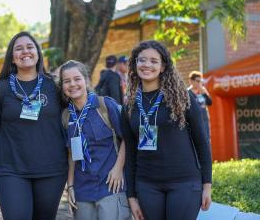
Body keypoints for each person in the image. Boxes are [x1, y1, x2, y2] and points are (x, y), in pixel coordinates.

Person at [121, 40, 212, 220]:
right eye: (142, 60)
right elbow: (130, 153)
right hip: (147, 185)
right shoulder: (129, 106)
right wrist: (131, 196)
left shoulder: (182, 98)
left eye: (154, 61)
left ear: (163, 67)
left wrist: (207, 185)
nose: (147, 65)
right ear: (135, 64)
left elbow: (202, 142)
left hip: (184, 183)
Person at [0, 31, 68, 220]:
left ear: (38, 53)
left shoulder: (55, 86)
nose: (25, 52)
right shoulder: (0, 89)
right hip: (10, 168)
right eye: (19, 49)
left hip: (51, 169)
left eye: (30, 47)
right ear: (12, 58)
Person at [59, 60, 132, 220]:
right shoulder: (66, 116)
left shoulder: (104, 105)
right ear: (62, 86)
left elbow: (128, 138)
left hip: (111, 185)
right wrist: (70, 185)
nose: (72, 84)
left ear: (86, 80)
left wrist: (118, 168)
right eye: (67, 81)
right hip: (82, 189)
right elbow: (72, 153)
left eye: (77, 79)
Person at [188, 71, 212, 140]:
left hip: (204, 120)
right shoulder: (187, 92)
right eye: (197, 81)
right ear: (191, 81)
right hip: (194, 121)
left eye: (200, 81)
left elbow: (209, 103)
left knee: (206, 139)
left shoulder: (203, 90)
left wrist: (203, 92)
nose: (199, 83)